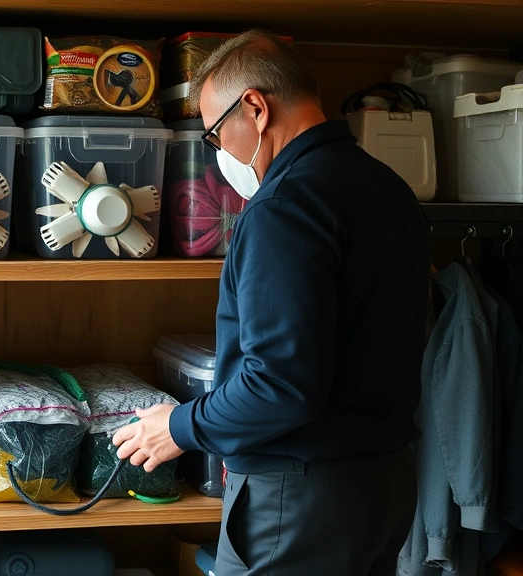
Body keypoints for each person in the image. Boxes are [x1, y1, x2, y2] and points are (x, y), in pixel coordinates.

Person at [112, 30, 431, 575]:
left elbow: (280, 385)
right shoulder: (386, 186)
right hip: (386, 483)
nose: (218, 158)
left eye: (214, 136)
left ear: (255, 107)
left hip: (302, 499)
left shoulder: (283, 207)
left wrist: (178, 427)